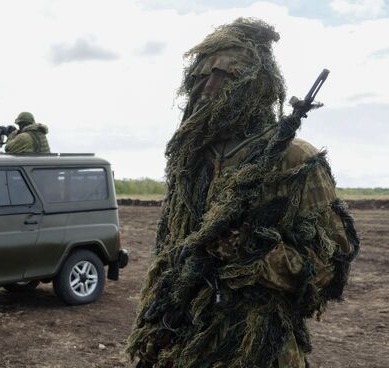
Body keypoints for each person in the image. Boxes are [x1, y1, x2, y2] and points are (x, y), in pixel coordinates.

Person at [126, 18, 359, 368]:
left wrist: (254, 253)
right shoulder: (191, 160)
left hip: (258, 346)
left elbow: (332, 266)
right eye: (199, 77)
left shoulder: (294, 158)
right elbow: (170, 250)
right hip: (183, 338)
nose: (206, 87)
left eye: (222, 75)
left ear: (256, 83)